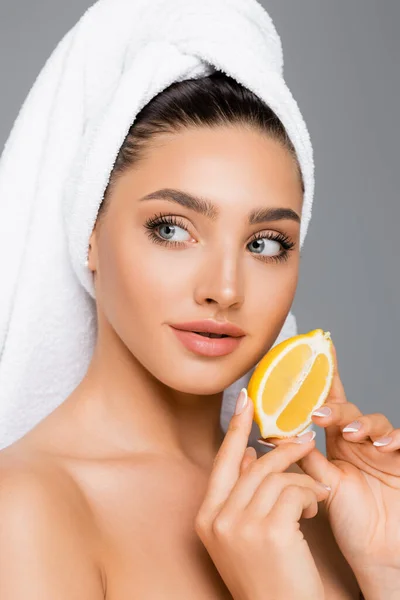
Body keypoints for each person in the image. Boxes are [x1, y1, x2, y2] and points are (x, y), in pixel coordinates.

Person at [0, 5, 399, 600]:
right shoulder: (24, 514)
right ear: (89, 234)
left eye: (266, 243)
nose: (226, 288)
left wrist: (386, 570)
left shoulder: (319, 505)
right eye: (171, 229)